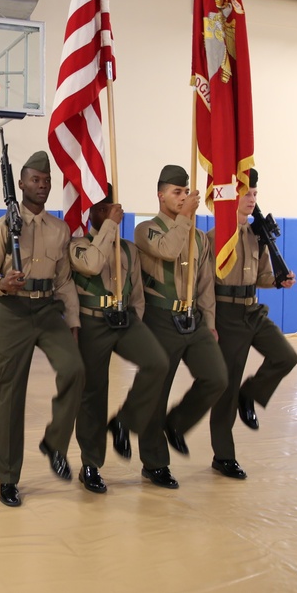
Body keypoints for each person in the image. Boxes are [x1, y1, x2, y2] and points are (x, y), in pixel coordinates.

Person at [0, 150, 85, 507]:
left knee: (74, 370)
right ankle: (8, 478)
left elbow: (65, 281)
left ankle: (55, 441)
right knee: (11, 396)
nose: (42, 186)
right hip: (13, 312)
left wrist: (72, 320)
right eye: (35, 180)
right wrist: (2, 284)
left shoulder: (60, 229)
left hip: (47, 309)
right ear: (20, 183)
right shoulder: (0, 228)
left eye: (46, 181)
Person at [69, 185, 169, 494]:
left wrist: (134, 320)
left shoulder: (128, 248)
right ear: (91, 212)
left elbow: (136, 291)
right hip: (91, 323)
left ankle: (124, 420)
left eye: (113, 208)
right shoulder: (77, 245)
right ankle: (91, 464)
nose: (111, 212)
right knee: (93, 394)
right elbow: (92, 265)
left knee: (157, 363)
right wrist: (110, 225)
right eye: (102, 209)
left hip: (124, 321)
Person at [132, 165, 227, 489]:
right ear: (160, 195)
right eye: (176, 192)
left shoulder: (200, 237)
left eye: (186, 192)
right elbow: (168, 250)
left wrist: (210, 322)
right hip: (159, 319)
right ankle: (154, 463)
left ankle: (176, 424)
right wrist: (186, 217)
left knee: (217, 377)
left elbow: (205, 285)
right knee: (156, 393)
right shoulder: (146, 230)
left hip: (193, 318)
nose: (183, 197)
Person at [208, 169, 297, 480]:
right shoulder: (215, 238)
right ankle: (223, 456)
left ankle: (251, 395)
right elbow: (204, 284)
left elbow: (260, 277)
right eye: (246, 194)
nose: (252, 200)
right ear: (232, 197)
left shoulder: (256, 235)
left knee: (287, 356)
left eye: (255, 194)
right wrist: (209, 321)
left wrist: (278, 281)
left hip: (252, 309)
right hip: (225, 314)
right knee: (226, 386)